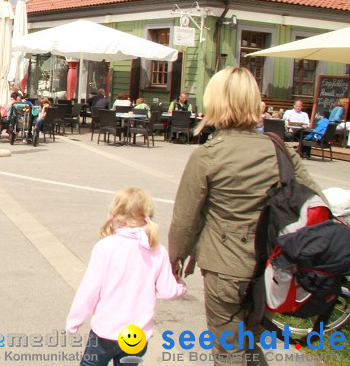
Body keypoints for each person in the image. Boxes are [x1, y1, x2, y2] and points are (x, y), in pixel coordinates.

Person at [169, 67, 322, 365]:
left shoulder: (207, 156)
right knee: (249, 338)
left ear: (216, 103)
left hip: (225, 271)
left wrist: (175, 259)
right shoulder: (281, 150)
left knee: (229, 351)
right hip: (271, 271)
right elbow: (318, 204)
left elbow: (185, 221)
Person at [67, 187, 186, 365]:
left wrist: (75, 320)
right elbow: (168, 292)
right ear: (148, 215)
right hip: (137, 335)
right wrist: (181, 285)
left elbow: (89, 289)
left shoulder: (105, 247)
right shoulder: (157, 251)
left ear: (116, 213)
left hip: (105, 330)